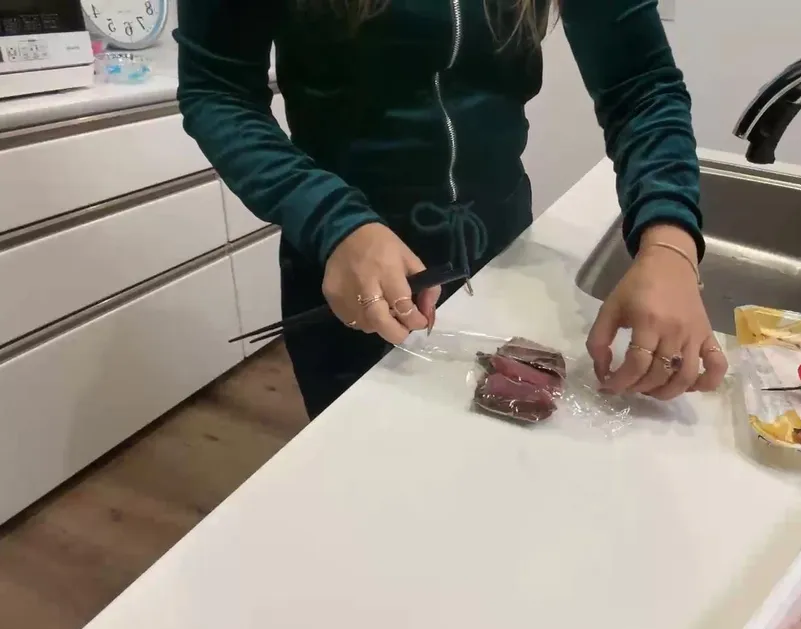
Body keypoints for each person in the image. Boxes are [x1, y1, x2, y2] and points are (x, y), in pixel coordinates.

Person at [176, 0, 729, 419]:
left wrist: (670, 244)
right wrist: (334, 222)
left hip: (503, 261)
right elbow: (218, 91)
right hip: (350, 273)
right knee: (370, 500)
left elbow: (640, 86)